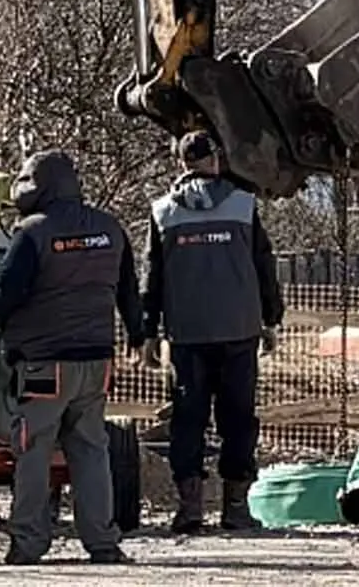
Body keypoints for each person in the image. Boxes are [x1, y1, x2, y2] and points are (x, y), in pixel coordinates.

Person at [0, 148, 146, 567]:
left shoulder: (33, 231)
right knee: (91, 448)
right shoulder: (111, 228)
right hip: (97, 360)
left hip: (43, 362)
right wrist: (138, 333)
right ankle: (103, 544)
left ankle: (27, 543)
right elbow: (129, 291)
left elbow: (4, 294)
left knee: (33, 447)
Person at [141, 130, 283, 533]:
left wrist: (149, 331)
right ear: (217, 159)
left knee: (188, 420)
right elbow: (264, 267)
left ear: (180, 163)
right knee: (238, 419)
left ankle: (189, 510)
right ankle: (235, 509)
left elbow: (151, 277)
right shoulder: (242, 206)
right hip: (239, 331)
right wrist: (271, 319)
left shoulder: (163, 212)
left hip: (186, 334)